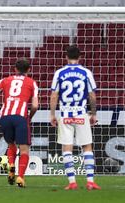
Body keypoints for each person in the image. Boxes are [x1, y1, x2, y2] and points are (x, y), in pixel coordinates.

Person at [50, 45, 101, 190]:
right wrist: (94, 113)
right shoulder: (86, 72)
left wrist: (52, 114)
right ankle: (90, 181)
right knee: (86, 146)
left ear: (66, 56)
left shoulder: (59, 73)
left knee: (67, 148)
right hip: (81, 113)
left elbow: (54, 95)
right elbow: (92, 95)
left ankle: (72, 182)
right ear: (80, 57)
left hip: (65, 115)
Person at [0, 59, 39, 188]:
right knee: (24, 149)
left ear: (15, 69)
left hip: (5, 116)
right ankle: (20, 177)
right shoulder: (31, 83)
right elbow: (35, 106)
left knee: (11, 144)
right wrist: (29, 117)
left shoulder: (6, 80)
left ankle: (11, 166)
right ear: (29, 70)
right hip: (20, 116)